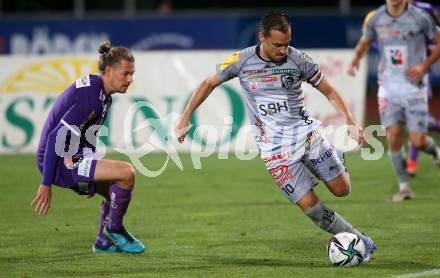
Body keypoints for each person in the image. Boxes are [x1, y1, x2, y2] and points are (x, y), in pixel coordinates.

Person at [176, 11, 376, 262]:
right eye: (278, 45)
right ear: (262, 37)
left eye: (288, 43)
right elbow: (208, 83)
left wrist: (351, 122)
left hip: (307, 137)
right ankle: (360, 240)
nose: (284, 50)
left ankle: (337, 156)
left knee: (342, 190)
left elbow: (329, 90)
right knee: (312, 210)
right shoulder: (241, 60)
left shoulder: (299, 60)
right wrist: (186, 116)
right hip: (275, 153)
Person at [31, 41, 145, 254]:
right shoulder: (91, 97)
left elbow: (87, 134)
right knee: (127, 173)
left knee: (114, 189)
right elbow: (56, 137)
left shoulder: (103, 94)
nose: (130, 80)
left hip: (72, 154)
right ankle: (114, 229)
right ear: (109, 70)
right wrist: (46, 183)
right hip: (57, 159)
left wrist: (91, 169)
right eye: (126, 74)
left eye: (132, 74)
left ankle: (103, 242)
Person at [348, 0, 440, 202]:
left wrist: (424, 66)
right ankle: (405, 188)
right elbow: (365, 40)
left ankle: (435, 151)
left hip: (414, 87)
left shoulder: (420, 17)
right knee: (393, 137)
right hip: (387, 88)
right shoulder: (376, 18)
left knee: (418, 140)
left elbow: (439, 42)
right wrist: (355, 59)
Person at [406, 0, 440, 176]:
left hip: (420, 71)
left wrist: (430, 51)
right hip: (397, 75)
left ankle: (412, 161)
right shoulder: (388, 13)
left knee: (415, 114)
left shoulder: (426, 9)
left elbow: (436, 34)